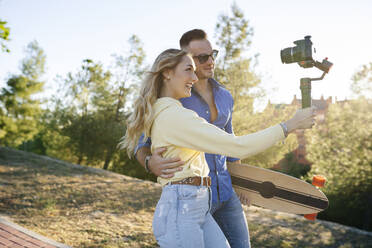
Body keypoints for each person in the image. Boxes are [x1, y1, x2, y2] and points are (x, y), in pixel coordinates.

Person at [121, 48, 315, 247]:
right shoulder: (174, 116)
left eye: (195, 71)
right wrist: (289, 125)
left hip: (196, 203)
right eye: (188, 69)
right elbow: (237, 146)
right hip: (182, 207)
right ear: (167, 73)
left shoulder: (171, 111)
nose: (194, 78)